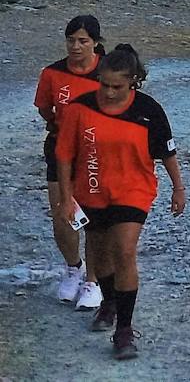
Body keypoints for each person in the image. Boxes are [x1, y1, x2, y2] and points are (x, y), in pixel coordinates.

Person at [54, 44, 185, 360]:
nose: (110, 93)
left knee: (124, 251)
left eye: (118, 87)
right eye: (104, 85)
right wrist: (66, 197)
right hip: (92, 190)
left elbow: (166, 152)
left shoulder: (148, 110)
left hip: (133, 190)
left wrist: (178, 188)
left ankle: (124, 330)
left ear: (133, 82)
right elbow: (64, 155)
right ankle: (109, 302)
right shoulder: (80, 108)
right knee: (100, 255)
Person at [35, 15, 106, 310]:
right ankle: (73, 268)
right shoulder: (52, 74)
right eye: (71, 40)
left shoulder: (108, 69)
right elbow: (44, 108)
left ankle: (93, 280)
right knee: (62, 213)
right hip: (61, 147)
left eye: (83, 41)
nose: (75, 46)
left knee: (95, 218)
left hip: (99, 151)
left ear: (95, 43)